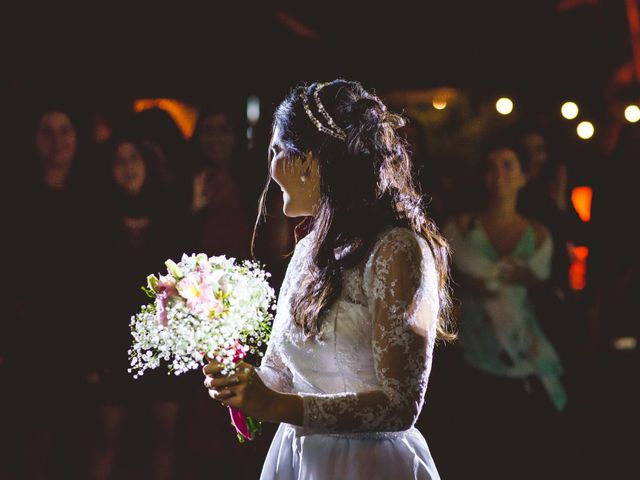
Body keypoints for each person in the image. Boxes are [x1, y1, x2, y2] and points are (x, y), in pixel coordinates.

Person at [201, 79, 455, 479]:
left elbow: (400, 404)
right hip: (298, 460)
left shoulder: (397, 250)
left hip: (369, 465)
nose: (271, 169)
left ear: (311, 160)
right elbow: (281, 372)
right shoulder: (307, 251)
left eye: (278, 150)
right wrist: (243, 385)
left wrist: (278, 407)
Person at [442, 137, 567, 479]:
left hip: (525, 353)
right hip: (473, 354)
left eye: (508, 165)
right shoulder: (459, 227)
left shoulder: (539, 235)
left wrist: (532, 281)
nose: (498, 174)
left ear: (524, 175)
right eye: (491, 167)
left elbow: (551, 290)